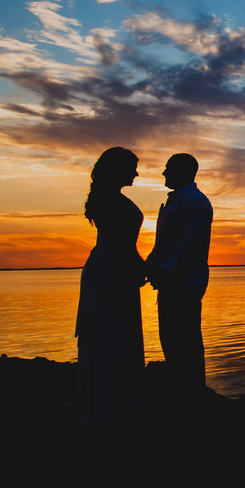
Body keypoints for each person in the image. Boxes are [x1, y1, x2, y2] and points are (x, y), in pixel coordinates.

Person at [76, 146, 147, 423]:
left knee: (119, 331)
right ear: (118, 169)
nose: (136, 173)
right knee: (111, 330)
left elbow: (124, 244)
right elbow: (120, 243)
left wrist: (139, 265)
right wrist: (141, 266)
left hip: (115, 268)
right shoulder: (109, 201)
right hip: (110, 271)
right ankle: (109, 401)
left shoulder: (112, 198)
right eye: (132, 167)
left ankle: (116, 395)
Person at [146, 153, 213, 397]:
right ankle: (181, 387)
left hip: (185, 281)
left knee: (186, 339)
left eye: (168, 169)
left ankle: (193, 391)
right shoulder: (176, 201)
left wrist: (164, 270)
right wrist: (152, 266)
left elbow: (188, 243)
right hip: (172, 279)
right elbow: (164, 243)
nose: (164, 173)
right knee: (171, 336)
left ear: (184, 171)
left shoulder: (195, 202)